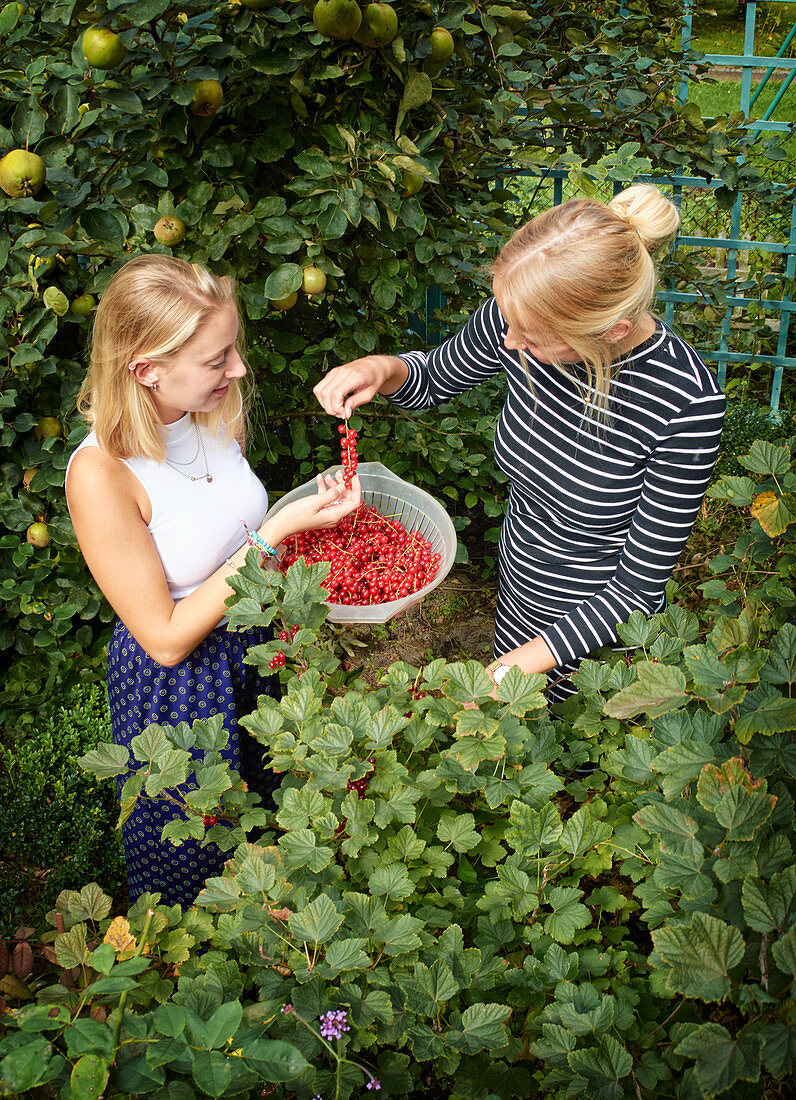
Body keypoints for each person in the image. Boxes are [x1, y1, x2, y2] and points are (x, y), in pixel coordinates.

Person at [314, 184, 726, 701]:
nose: (510, 344)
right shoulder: (522, 316)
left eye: (530, 339)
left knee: (574, 764)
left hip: (601, 632)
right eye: (509, 324)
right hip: (520, 591)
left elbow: (638, 588)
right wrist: (380, 368)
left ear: (613, 331)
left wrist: (523, 664)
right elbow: (432, 378)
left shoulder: (686, 403)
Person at [66, 254, 361, 907]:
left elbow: (225, 530)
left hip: (253, 648)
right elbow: (165, 637)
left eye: (232, 349)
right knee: (194, 852)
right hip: (182, 683)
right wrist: (277, 533)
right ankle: (193, 977)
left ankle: (276, 962)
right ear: (146, 369)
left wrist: (305, 529)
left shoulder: (207, 411)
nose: (239, 369)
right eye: (217, 359)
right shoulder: (101, 474)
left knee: (271, 821)